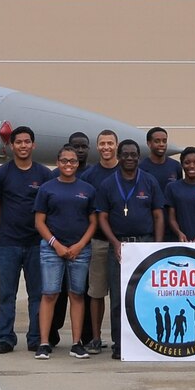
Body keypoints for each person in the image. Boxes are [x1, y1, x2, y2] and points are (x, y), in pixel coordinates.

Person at [92, 138, 165, 358]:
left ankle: (145, 341)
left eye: (134, 155)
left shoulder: (149, 181)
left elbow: (158, 214)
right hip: (119, 247)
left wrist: (157, 247)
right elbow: (102, 217)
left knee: (144, 295)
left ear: (138, 157)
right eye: (126, 154)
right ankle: (120, 344)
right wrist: (114, 242)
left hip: (144, 243)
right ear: (119, 156)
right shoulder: (107, 184)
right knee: (118, 297)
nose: (130, 158)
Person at [0, 126, 51, 354]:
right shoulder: (1, 174)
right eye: (19, 142)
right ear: (11, 146)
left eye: (27, 142)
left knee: (37, 293)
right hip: (8, 244)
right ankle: (5, 337)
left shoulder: (44, 174)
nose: (23, 146)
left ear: (33, 145)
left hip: (36, 243)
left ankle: (35, 338)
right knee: (6, 294)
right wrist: (9, 221)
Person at [33, 147, 98, 359]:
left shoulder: (87, 189)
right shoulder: (47, 188)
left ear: (77, 164)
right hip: (52, 249)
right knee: (50, 293)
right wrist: (55, 244)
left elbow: (93, 222)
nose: (68, 164)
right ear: (57, 162)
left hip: (80, 250)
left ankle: (77, 343)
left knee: (77, 294)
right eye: (64, 161)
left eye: (72, 161)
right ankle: (44, 343)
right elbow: (39, 222)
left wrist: (80, 245)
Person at [79, 129, 123, 352]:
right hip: (97, 242)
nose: (106, 147)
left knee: (122, 292)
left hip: (124, 243)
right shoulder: (89, 176)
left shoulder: (127, 171)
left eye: (110, 143)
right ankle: (95, 338)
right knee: (96, 292)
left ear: (116, 146)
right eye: (102, 144)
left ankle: (125, 338)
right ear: (97, 147)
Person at [142, 126, 178, 190]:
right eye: (157, 141)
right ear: (149, 143)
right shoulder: (141, 167)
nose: (161, 144)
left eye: (164, 141)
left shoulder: (176, 165)